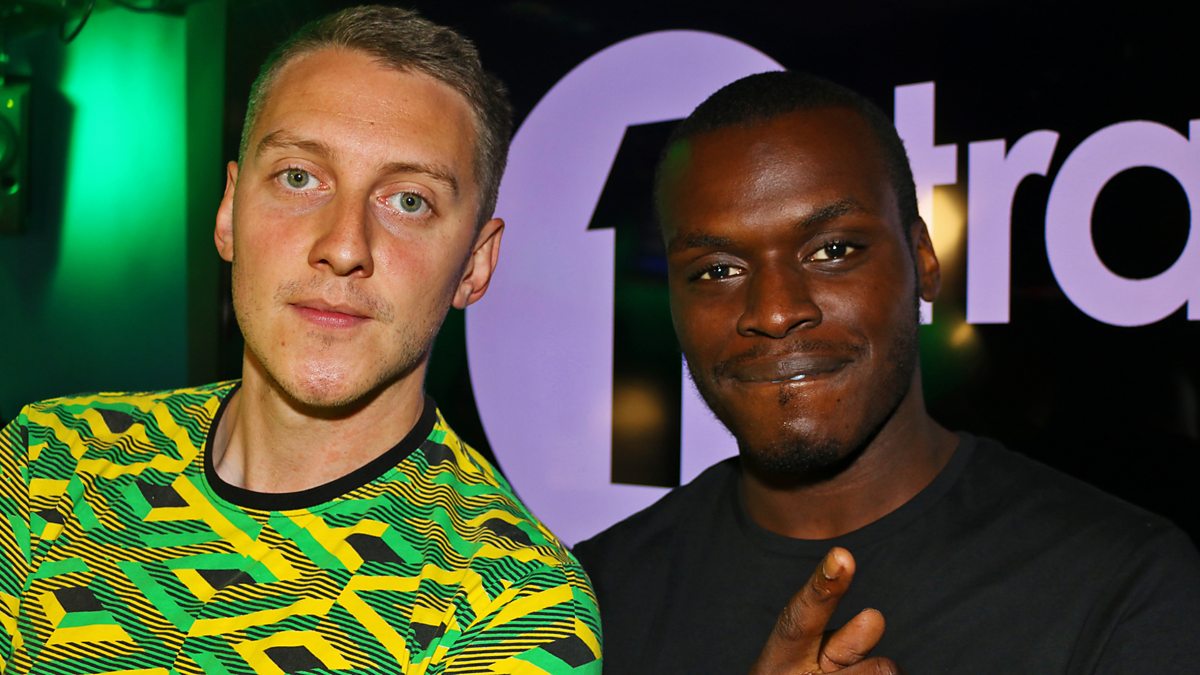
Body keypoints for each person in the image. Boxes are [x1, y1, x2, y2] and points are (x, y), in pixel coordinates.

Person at [0, 6, 601, 673]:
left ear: (475, 265)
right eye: (299, 177)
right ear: (228, 213)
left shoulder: (515, 603)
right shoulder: (48, 461)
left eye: (409, 201)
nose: (344, 246)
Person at [572, 70, 1200, 674]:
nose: (775, 311)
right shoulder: (585, 602)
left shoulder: (1125, 583)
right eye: (718, 270)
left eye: (832, 251)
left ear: (923, 259)